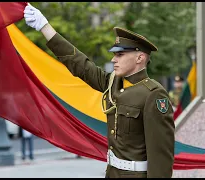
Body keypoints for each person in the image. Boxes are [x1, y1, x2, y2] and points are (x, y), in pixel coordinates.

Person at [23, 4, 175, 178]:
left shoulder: (154, 95)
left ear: (139, 58)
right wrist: (45, 27)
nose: (113, 59)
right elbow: (81, 65)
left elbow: (161, 156)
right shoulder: (113, 83)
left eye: (120, 55)